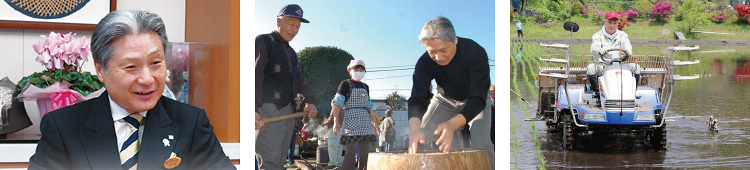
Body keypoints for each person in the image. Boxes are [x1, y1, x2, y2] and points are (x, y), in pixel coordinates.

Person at [28, 10, 235, 170]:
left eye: (156, 63)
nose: (147, 79)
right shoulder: (63, 128)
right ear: (101, 70)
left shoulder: (191, 124)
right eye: (131, 67)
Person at [407, 16, 494, 169]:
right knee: (419, 138)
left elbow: (478, 97)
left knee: (481, 144)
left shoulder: (475, 52)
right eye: (432, 52)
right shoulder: (424, 63)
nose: (438, 57)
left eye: (443, 50)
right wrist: (414, 130)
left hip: (475, 100)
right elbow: (417, 99)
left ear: (455, 40)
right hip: (444, 100)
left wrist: (451, 125)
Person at [255, 4, 319, 170]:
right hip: (268, 110)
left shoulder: (292, 53)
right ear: (278, 21)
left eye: (298, 26)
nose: (295, 29)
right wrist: (253, 108)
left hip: (289, 113)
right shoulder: (263, 41)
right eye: (291, 24)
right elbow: (255, 74)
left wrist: (309, 101)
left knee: (279, 161)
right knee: (269, 162)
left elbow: (299, 82)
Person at [332, 59, 381, 170]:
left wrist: (374, 122)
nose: (359, 71)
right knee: (350, 153)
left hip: (365, 123)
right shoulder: (345, 84)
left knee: (364, 154)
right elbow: (337, 103)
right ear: (350, 70)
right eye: (356, 69)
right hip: (351, 122)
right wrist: (336, 121)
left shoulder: (365, 87)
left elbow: (369, 106)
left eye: (362, 69)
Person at [588, 11, 641, 98]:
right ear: (605, 22)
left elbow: (627, 45)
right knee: (591, 68)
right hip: (602, 65)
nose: (612, 26)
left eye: (614, 23)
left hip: (619, 65)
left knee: (636, 67)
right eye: (609, 22)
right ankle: (597, 94)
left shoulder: (622, 35)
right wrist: (599, 50)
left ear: (617, 24)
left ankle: (632, 93)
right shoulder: (597, 35)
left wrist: (628, 50)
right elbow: (594, 49)